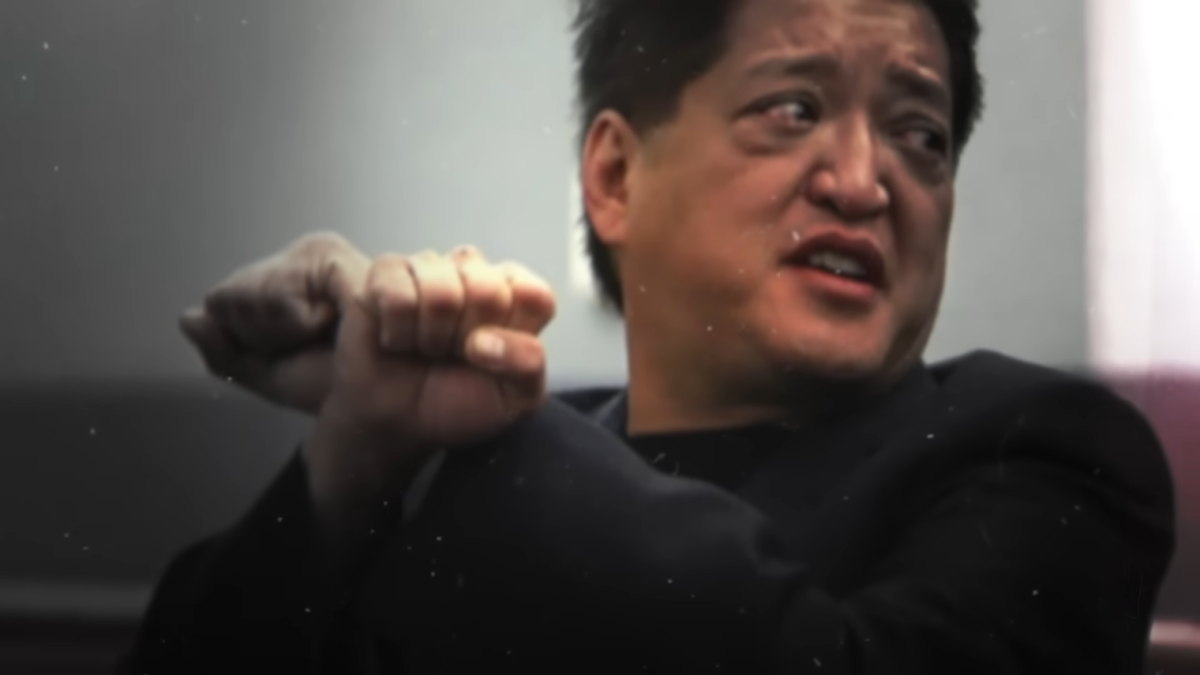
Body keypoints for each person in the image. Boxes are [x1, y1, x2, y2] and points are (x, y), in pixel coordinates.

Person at [118, 0, 1175, 672]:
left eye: (921, 134)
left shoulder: (1044, 453)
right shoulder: (449, 467)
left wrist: (482, 419)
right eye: (794, 109)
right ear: (616, 176)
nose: (864, 182)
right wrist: (357, 448)